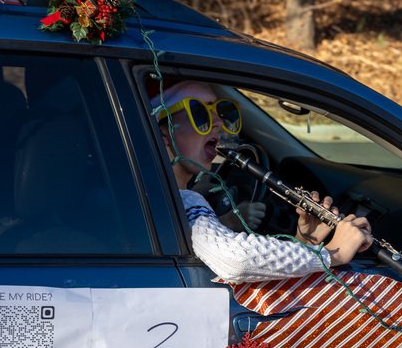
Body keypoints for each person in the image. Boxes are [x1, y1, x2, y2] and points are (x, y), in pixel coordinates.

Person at [152, 80, 373, 284]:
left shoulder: (165, 199)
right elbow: (235, 261)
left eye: (218, 111)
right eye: (199, 112)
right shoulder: (182, 201)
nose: (218, 122)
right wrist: (333, 253)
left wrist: (306, 242)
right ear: (163, 131)